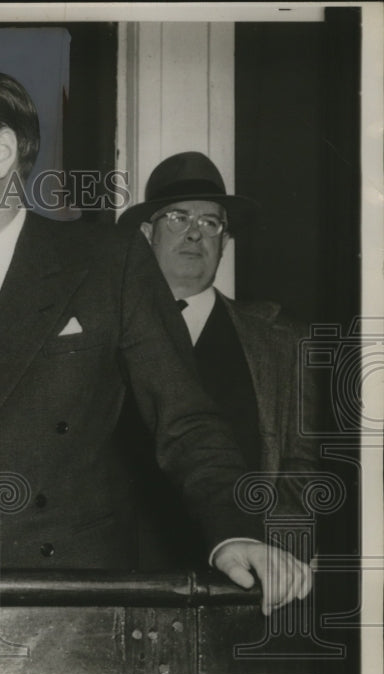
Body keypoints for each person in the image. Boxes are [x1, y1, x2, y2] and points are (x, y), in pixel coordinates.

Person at [0, 68, 310, 614]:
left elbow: (186, 424)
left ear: (0, 152)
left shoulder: (105, 263)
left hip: (68, 602)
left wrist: (236, 532)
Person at [116, 152, 320, 568]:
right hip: (124, 578)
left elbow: (304, 469)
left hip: (245, 580)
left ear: (224, 243)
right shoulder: (103, 334)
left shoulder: (282, 340)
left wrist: (273, 558)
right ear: (145, 234)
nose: (194, 235)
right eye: (177, 218)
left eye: (210, 223)